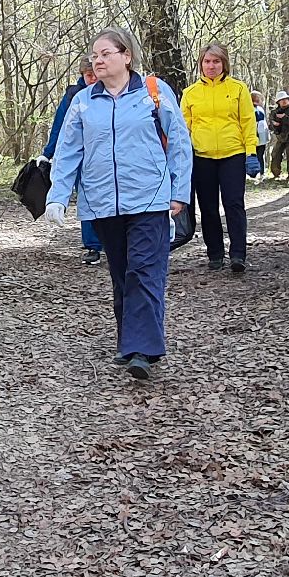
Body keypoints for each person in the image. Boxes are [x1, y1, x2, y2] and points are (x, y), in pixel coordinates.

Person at [43, 28, 191, 381]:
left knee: (144, 270)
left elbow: (180, 142)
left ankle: (143, 349)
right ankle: (131, 341)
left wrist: (179, 191)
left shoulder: (153, 93)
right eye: (95, 55)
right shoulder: (82, 101)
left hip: (150, 198)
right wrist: (57, 197)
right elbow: (68, 152)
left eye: (106, 53)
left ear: (126, 56)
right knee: (123, 273)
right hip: (102, 202)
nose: (98, 60)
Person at [181, 44, 258, 272]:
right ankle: (215, 254)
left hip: (233, 154)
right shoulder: (190, 93)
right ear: (200, 64)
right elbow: (183, 128)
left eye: (216, 62)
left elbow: (247, 122)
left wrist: (251, 152)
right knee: (208, 207)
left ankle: (238, 255)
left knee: (234, 204)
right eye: (207, 62)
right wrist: (181, 159)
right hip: (202, 156)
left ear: (224, 63)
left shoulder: (238, 89)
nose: (211, 66)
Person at [43, 60, 105, 265]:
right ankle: (93, 246)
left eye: (95, 74)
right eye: (88, 75)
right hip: (82, 157)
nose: (93, 79)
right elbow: (60, 126)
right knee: (87, 198)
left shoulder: (113, 91)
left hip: (107, 158)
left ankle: (112, 242)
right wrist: (48, 153)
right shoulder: (74, 96)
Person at [266, 92, 289, 180]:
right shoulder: (274, 112)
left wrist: (284, 117)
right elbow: (270, 125)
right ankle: (276, 173)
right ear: (278, 102)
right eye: (282, 100)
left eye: (285, 99)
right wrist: (274, 124)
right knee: (275, 154)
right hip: (280, 137)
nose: (284, 101)